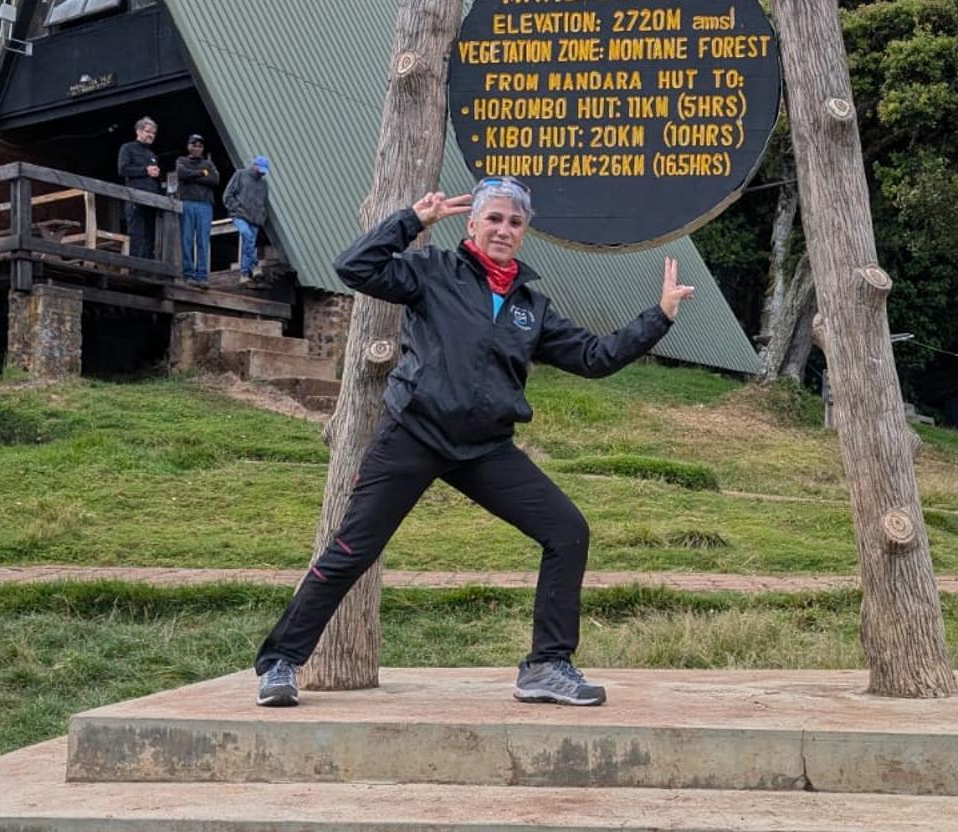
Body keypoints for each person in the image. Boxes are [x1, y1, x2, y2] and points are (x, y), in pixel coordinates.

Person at [254, 177, 694, 709]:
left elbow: (594, 358)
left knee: (567, 531)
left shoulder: (530, 305)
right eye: (494, 219)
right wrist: (412, 221)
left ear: (524, 231)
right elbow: (355, 268)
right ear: (473, 224)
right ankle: (280, 662)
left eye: (514, 222)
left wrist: (661, 316)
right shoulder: (432, 272)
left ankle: (546, 666)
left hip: (484, 447)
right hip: (413, 434)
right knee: (352, 549)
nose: (503, 229)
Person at [175, 133, 219, 285]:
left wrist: (192, 176)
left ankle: (202, 276)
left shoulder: (209, 163)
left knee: (203, 241)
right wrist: (202, 173)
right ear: (188, 146)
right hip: (187, 203)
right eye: (194, 145)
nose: (197, 148)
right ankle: (188, 274)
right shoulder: (182, 160)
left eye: (200, 146)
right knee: (186, 239)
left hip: (205, 205)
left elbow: (215, 179)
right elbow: (181, 174)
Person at [116, 115, 161, 259]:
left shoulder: (152, 154)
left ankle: (148, 270)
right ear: (139, 131)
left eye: (153, 133)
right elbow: (122, 170)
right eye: (148, 132)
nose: (151, 135)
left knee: (150, 235)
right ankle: (135, 269)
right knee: (136, 233)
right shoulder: (127, 148)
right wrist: (145, 170)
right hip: (135, 198)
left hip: (152, 200)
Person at [223, 155, 270, 284]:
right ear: (254, 165)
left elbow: (264, 201)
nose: (261, 173)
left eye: (263, 171)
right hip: (239, 215)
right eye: (260, 169)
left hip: (255, 219)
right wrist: (236, 208)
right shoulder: (240, 175)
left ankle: (245, 274)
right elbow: (227, 195)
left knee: (248, 244)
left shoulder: (263, 183)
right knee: (247, 235)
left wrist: (262, 215)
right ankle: (254, 266)